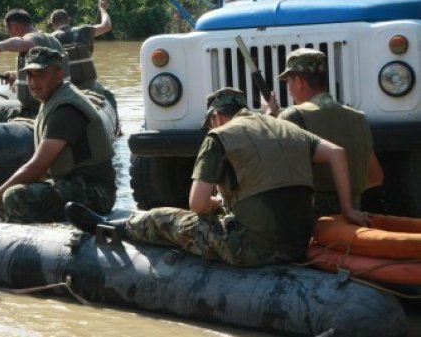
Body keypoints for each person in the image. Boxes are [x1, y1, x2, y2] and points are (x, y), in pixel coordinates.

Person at [65, 87, 371, 267]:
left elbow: (197, 205)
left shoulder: (219, 137)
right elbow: (337, 154)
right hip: (300, 242)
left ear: (215, 117)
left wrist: (216, 205)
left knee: (162, 217)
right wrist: (348, 209)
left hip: (254, 249)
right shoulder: (288, 128)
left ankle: (107, 227)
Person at [0, 47, 116, 223]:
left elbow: (38, 166)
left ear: (59, 75)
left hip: (96, 193)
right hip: (74, 184)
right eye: (30, 75)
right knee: (18, 187)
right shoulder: (52, 100)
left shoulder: (65, 110)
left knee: (13, 197)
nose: (34, 82)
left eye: (41, 74)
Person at [264, 48, 385, 217]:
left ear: (299, 81)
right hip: (351, 221)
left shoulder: (293, 116)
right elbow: (375, 177)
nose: (289, 89)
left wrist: (269, 117)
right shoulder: (358, 118)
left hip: (311, 223)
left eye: (288, 82)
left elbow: (271, 171)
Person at [0, 9, 65, 116]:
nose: (9, 34)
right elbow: (45, 70)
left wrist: (0, 46)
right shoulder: (53, 40)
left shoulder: (32, 38)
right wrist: (17, 75)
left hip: (36, 110)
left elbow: (24, 43)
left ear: (15, 26)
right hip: (56, 102)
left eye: (9, 30)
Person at [49, 0, 112, 92]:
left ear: (53, 24)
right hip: (88, 84)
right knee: (109, 96)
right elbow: (107, 26)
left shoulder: (49, 39)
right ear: (69, 20)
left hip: (64, 87)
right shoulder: (84, 30)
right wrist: (103, 9)